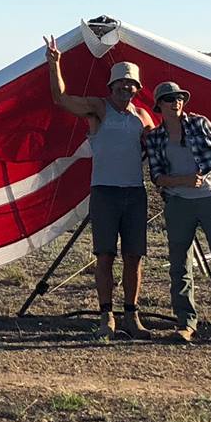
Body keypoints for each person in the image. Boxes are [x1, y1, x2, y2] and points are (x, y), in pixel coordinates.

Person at [44, 35, 153, 336]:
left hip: (135, 192)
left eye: (131, 84)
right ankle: (107, 317)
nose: (126, 87)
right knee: (105, 256)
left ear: (137, 88)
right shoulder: (98, 108)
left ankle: (131, 316)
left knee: (134, 256)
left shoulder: (142, 116)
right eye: (121, 83)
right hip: (105, 192)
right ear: (111, 85)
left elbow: (160, 147)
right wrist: (55, 65)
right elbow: (61, 98)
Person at [143, 80, 211, 344]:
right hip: (178, 202)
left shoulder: (199, 123)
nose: (176, 103)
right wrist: (185, 181)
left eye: (180, 98)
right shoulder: (155, 137)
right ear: (159, 106)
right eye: (170, 99)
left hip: (210, 199)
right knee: (180, 265)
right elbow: (157, 176)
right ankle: (186, 323)